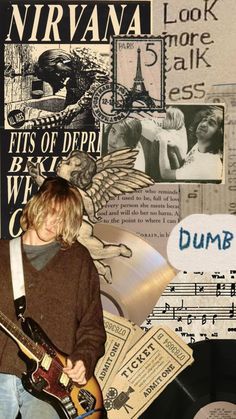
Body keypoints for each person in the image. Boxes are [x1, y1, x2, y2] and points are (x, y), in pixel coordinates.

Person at [0, 177, 106, 419]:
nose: (55, 222)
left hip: (53, 383)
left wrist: (83, 360)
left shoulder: (78, 261)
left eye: (64, 218)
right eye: (51, 212)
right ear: (36, 205)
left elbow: (93, 328)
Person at [34, 48, 109, 127]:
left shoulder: (79, 54)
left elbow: (104, 79)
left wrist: (79, 105)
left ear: (60, 60)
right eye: (55, 74)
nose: (59, 75)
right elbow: (70, 104)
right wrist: (66, 115)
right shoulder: (72, 81)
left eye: (56, 70)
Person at [158, 106, 224, 181]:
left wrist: (162, 142)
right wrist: (176, 147)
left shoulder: (207, 164)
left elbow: (166, 174)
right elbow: (186, 163)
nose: (203, 124)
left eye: (211, 124)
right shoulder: (201, 145)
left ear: (219, 133)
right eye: (203, 120)